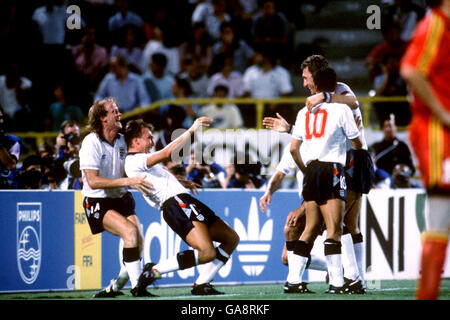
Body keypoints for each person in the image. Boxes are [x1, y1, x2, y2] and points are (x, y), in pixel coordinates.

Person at [263, 54, 370, 292]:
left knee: (346, 225)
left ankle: (352, 277)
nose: (303, 83)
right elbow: (318, 135)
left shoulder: (339, 91)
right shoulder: (312, 106)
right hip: (334, 163)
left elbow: (353, 103)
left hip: (351, 161)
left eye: (305, 77)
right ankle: (350, 278)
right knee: (340, 225)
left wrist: (325, 95)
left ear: (317, 76)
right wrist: (290, 129)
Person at [123, 117, 240, 296]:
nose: (152, 141)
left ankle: (202, 283)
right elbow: (168, 152)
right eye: (149, 137)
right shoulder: (134, 160)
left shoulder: (143, 161)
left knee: (231, 238)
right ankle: (154, 271)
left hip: (183, 200)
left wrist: (182, 181)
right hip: (176, 204)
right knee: (206, 252)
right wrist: (192, 129)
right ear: (136, 141)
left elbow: (158, 177)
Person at [289, 66, 363, 294]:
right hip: (334, 168)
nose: (305, 84)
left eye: (307, 79)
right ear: (333, 84)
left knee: (310, 228)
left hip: (311, 170)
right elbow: (357, 143)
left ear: (317, 84)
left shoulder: (304, 111)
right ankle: (339, 283)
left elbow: (294, 149)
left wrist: (306, 171)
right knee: (336, 229)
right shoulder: (341, 110)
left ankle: (292, 281)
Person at [399, 0, 450, 300]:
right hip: (436, 133)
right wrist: (442, 113)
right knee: (440, 215)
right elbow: (410, 70)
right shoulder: (436, 25)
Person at [79, 98, 154, 297]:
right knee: (129, 232)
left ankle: (114, 287)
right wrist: (128, 182)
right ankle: (138, 287)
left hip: (121, 198)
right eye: (114, 111)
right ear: (103, 118)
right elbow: (93, 181)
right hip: (98, 201)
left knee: (137, 241)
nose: (119, 113)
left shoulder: (122, 140)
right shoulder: (91, 143)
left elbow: (140, 158)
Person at [259, 144, 328, 293]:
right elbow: (280, 173)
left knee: (291, 228)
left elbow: (321, 179)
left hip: (326, 198)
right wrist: (268, 191)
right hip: (308, 200)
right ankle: (336, 269)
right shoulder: (295, 146)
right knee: (287, 258)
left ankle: (294, 282)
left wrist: (302, 208)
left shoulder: (319, 144)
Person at [0, 107, 21, 189]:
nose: (0, 121)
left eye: (1, 118)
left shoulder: (14, 141)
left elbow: (10, 165)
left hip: (6, 188)